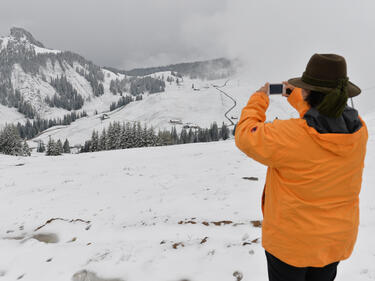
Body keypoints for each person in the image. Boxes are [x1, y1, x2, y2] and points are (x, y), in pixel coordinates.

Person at [235, 54, 368, 281]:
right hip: (334, 242)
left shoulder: (290, 136)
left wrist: (259, 98)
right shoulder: (358, 131)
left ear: (308, 92)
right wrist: (297, 95)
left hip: (290, 246)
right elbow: (324, 116)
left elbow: (245, 134)